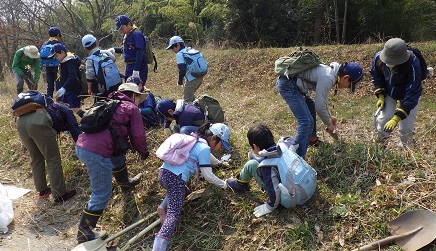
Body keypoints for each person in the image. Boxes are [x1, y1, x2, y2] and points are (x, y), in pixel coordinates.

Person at [75, 82, 149, 244]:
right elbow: (138, 135)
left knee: (117, 155)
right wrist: (143, 152)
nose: (139, 101)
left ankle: (125, 183)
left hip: (83, 145)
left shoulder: (107, 103)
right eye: (139, 97)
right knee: (102, 192)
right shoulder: (131, 108)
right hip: (96, 153)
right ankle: (84, 232)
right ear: (134, 95)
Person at [152, 123, 231, 251]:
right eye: (221, 144)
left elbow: (208, 157)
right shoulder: (204, 148)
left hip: (163, 174)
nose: (220, 148)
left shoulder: (196, 141)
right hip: (175, 179)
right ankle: (158, 248)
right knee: (173, 215)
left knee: (184, 190)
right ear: (214, 138)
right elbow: (208, 176)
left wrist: (220, 163)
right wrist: (225, 185)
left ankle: (163, 206)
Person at [225, 124, 316, 218]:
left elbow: (273, 189)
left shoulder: (267, 166)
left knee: (251, 164)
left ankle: (241, 184)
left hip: (292, 199)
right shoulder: (286, 145)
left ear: (255, 146)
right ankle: (259, 158)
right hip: (309, 185)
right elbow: (294, 141)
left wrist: (270, 206)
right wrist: (282, 141)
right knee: (263, 162)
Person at [276, 61, 364, 158]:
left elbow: (321, 102)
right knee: (306, 121)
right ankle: (297, 158)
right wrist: (329, 124)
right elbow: (320, 106)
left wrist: (329, 117)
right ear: (346, 77)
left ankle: (312, 139)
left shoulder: (331, 72)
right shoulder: (329, 77)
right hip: (288, 85)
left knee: (311, 105)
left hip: (293, 84)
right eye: (349, 85)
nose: (347, 88)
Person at [15, 92, 80, 203]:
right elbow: (75, 132)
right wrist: (82, 145)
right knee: (52, 159)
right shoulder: (66, 110)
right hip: (39, 120)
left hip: (21, 122)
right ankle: (60, 194)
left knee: (36, 158)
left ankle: (42, 190)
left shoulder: (43, 105)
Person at [370, 38, 423, 148]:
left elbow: (412, 91)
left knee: (406, 128)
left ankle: (407, 150)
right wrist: (380, 94)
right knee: (383, 119)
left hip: (408, 95)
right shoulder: (378, 58)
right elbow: (376, 76)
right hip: (390, 91)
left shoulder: (413, 64)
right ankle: (380, 146)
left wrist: (397, 117)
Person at [111, 15, 149, 85]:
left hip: (138, 66)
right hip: (129, 66)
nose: (121, 31)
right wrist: (114, 50)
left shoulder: (137, 34)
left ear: (128, 24)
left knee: (137, 90)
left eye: (122, 28)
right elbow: (126, 50)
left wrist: (136, 70)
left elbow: (139, 53)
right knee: (128, 88)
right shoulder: (126, 35)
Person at [81, 34, 121, 102]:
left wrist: (89, 89)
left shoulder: (90, 60)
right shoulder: (106, 52)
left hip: (102, 90)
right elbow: (113, 59)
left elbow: (90, 76)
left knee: (101, 107)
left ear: (85, 48)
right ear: (97, 42)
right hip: (117, 85)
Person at [165, 36, 204, 102]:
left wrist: (180, 81)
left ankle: (207, 109)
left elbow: (182, 69)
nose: (173, 50)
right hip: (200, 77)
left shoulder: (179, 54)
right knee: (191, 98)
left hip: (192, 79)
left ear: (178, 45)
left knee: (187, 101)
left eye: (173, 47)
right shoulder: (189, 50)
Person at [49, 43, 83, 116]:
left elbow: (72, 76)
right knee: (64, 108)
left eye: (56, 55)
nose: (55, 57)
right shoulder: (63, 62)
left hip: (73, 89)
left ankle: (90, 121)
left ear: (62, 52)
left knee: (74, 109)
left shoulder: (70, 61)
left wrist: (64, 88)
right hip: (67, 90)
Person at [42, 27, 63, 97]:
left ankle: (48, 102)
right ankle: (60, 102)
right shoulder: (59, 44)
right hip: (58, 67)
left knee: (50, 86)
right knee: (59, 85)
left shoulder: (44, 44)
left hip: (47, 67)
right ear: (57, 35)